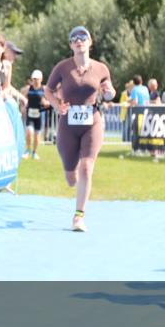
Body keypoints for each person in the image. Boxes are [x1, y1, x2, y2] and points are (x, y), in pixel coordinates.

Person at [43, 26, 116, 232]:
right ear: (70, 45)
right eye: (74, 38)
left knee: (86, 168)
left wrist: (109, 92)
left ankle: (78, 216)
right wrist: (57, 105)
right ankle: (71, 172)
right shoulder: (63, 67)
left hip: (92, 121)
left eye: (83, 37)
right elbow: (48, 90)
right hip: (67, 124)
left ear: (90, 42)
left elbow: (109, 91)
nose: (79, 40)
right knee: (71, 178)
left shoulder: (101, 68)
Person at [20, 70, 48, 159]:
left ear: (41, 79)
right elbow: (22, 97)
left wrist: (46, 103)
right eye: (34, 79)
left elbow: (49, 100)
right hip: (30, 114)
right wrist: (23, 107)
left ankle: (34, 152)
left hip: (39, 115)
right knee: (29, 132)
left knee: (37, 135)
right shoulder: (28, 89)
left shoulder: (44, 89)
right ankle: (27, 150)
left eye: (37, 79)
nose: (36, 81)